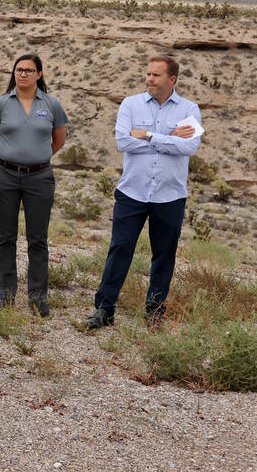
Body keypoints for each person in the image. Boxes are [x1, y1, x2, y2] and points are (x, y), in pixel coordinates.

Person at [84, 56, 202, 331]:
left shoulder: (189, 109)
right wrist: (168, 137)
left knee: (164, 256)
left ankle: (155, 313)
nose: (149, 79)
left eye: (156, 75)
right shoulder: (130, 103)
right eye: (148, 74)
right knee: (120, 249)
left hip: (170, 195)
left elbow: (189, 148)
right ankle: (104, 309)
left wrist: (148, 136)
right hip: (132, 191)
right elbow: (124, 141)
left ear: (171, 79)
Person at [0, 53, 67, 316]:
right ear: (14, 73)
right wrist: (13, 158)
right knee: (5, 237)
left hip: (39, 178)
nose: (23, 74)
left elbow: (58, 141)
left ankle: (37, 297)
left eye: (29, 70)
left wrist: (35, 159)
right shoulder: (1, 104)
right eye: (19, 70)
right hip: (5, 175)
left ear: (39, 75)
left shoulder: (52, 105)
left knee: (37, 239)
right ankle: (6, 295)